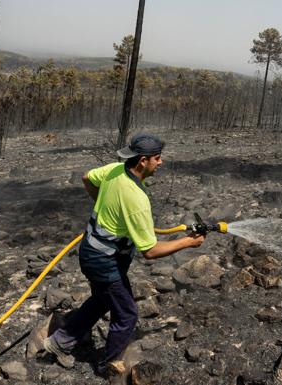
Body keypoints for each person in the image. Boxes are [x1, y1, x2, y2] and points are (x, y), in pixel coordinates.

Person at [44, 133, 205, 378]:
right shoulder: (136, 199)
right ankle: (107, 366)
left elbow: (86, 177)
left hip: (90, 251)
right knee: (127, 314)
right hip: (104, 263)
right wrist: (187, 243)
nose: (160, 163)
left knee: (101, 300)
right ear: (142, 161)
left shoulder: (115, 169)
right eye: (157, 159)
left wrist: (102, 202)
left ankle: (59, 342)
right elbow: (150, 251)